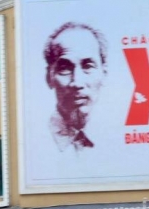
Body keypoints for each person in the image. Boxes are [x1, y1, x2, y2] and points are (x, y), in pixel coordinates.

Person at [43, 22, 108, 152]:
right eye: (64, 69)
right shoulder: (37, 139)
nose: (77, 82)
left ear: (103, 74)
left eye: (88, 66)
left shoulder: (114, 138)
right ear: (49, 77)